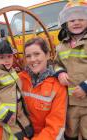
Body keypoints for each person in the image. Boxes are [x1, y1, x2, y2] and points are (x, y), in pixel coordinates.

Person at [0, 37, 67, 140]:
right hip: (16, 132)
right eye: (28, 56)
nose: (32, 59)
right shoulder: (18, 78)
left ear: (47, 55)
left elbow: (55, 127)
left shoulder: (58, 87)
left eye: (37, 54)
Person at [0, 38, 34, 140]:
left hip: (18, 116)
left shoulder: (9, 70)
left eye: (9, 56)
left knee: (27, 133)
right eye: (2, 57)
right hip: (4, 119)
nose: (7, 60)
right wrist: (5, 115)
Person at [55, 1, 87, 139]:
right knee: (70, 133)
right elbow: (56, 63)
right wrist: (60, 72)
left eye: (81, 19)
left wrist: (85, 86)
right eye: (72, 20)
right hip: (69, 103)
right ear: (65, 24)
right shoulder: (61, 46)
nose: (76, 22)